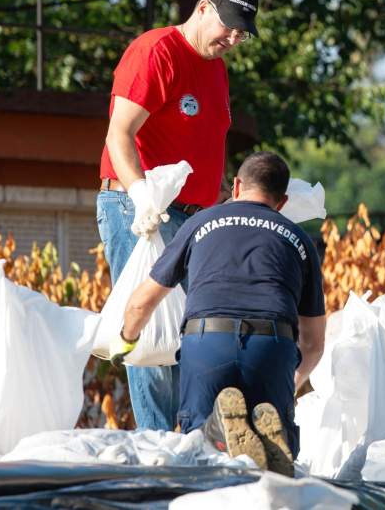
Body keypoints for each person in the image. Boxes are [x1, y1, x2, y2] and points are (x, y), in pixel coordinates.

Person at [97, 0, 260, 431]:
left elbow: (204, 149)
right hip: (143, 213)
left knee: (191, 333)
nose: (233, 39)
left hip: (198, 217)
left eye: (242, 33)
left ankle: (187, 443)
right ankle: (158, 450)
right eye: (229, 26)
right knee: (149, 332)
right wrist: (140, 194)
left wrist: (241, 197)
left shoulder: (217, 68)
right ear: (203, 7)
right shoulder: (156, 51)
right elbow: (119, 133)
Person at [109, 151, 326, 475]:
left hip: (207, 342)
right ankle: (266, 451)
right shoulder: (299, 239)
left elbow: (142, 302)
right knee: (278, 452)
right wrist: (291, 381)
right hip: (271, 345)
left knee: (200, 455)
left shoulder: (200, 223)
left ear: (236, 186)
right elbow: (313, 343)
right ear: (282, 202)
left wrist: (125, 341)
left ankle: (215, 437)